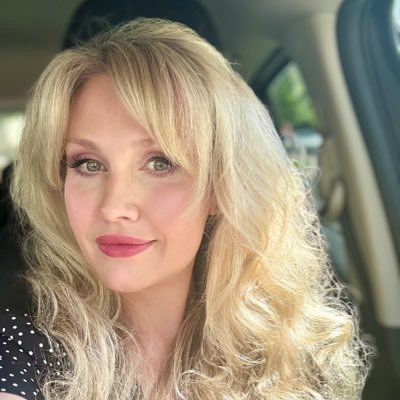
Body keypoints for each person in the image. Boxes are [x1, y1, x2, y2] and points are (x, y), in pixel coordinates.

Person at [0, 18, 371, 400]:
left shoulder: (288, 353)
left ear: (221, 187)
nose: (113, 207)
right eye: (88, 164)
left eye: (160, 163)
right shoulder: (24, 346)